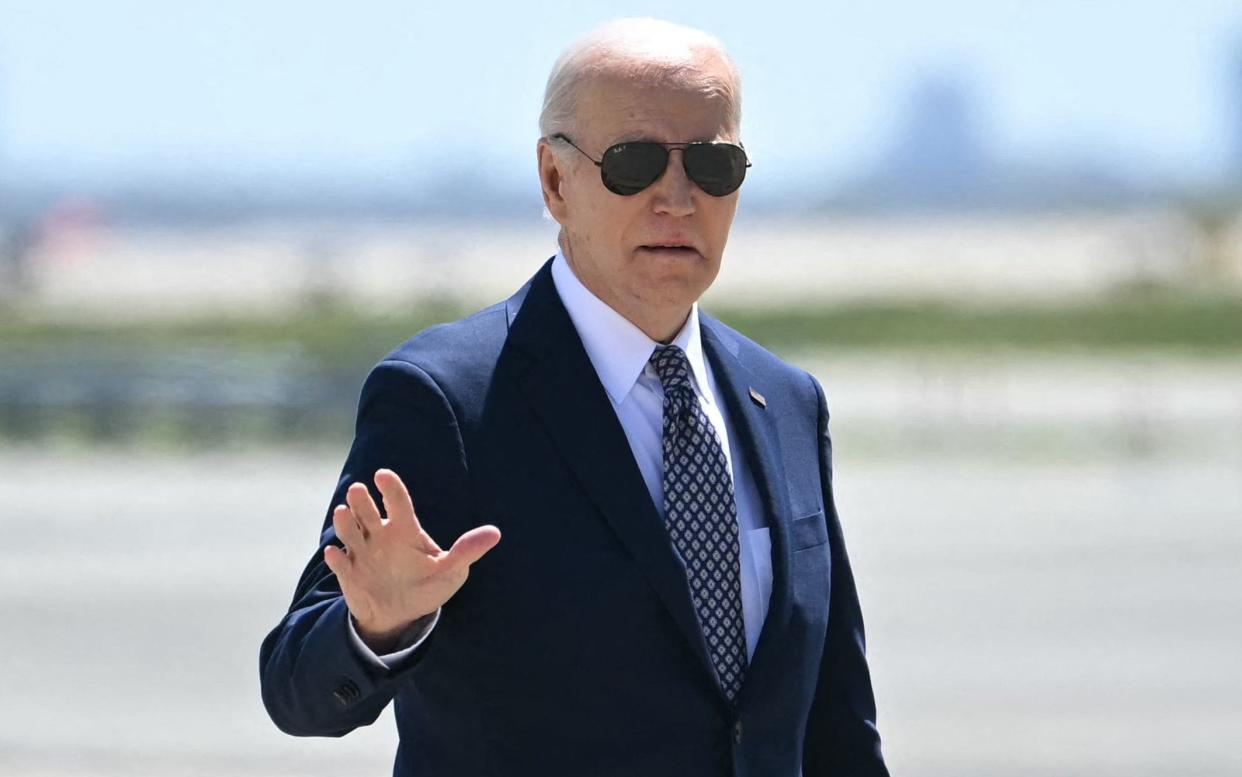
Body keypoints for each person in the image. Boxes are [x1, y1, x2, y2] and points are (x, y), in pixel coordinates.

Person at [259, 17, 888, 777]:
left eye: (714, 165)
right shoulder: (450, 400)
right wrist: (378, 625)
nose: (680, 198)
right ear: (555, 182)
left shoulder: (784, 402)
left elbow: (836, 726)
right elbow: (296, 687)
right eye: (636, 162)